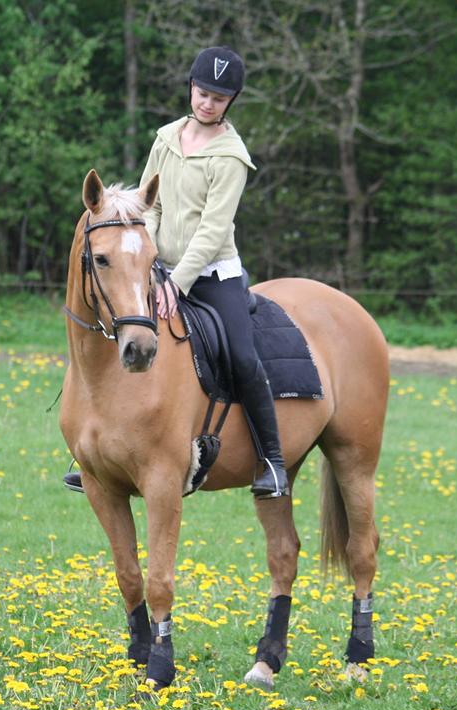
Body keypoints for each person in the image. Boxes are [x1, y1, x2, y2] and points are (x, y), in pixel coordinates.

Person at [65, 46, 289, 499]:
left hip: (213, 275)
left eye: (218, 98)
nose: (207, 103)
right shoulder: (165, 138)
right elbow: (148, 206)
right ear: (190, 88)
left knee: (242, 356)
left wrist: (178, 282)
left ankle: (272, 460)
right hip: (157, 268)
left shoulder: (232, 157)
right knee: (110, 333)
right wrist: (147, 262)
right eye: (202, 93)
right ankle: (91, 450)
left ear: (231, 102)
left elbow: (213, 229)